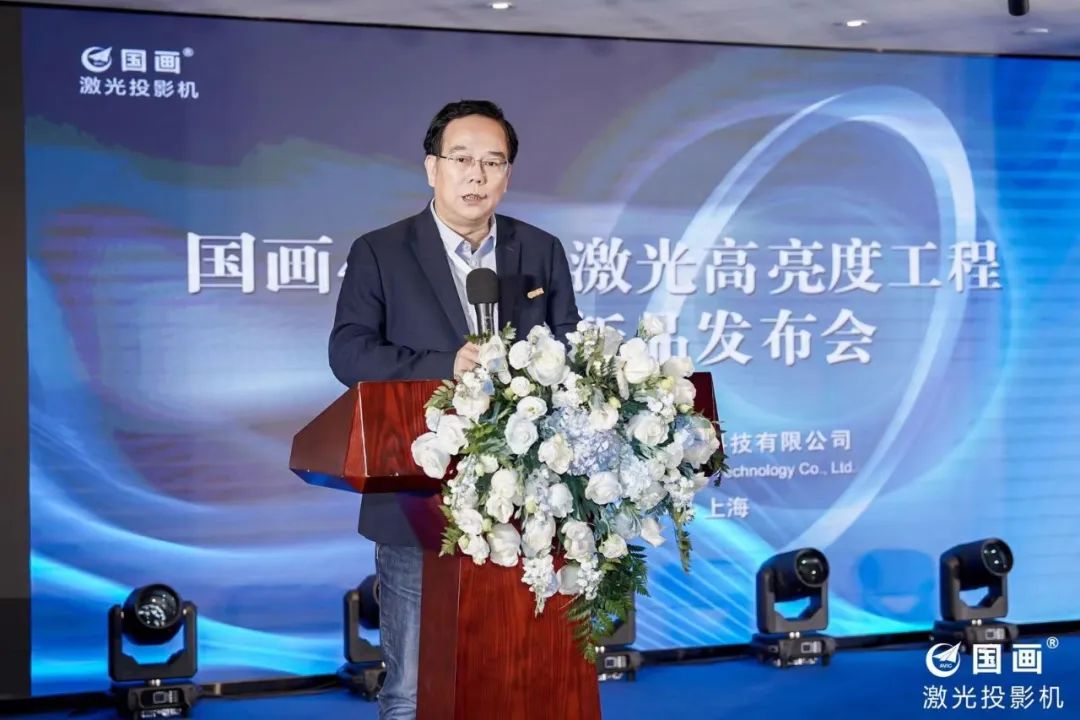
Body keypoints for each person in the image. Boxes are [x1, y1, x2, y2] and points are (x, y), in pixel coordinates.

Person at [328, 99, 580, 720]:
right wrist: (446, 364)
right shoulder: (382, 251)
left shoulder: (539, 250)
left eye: (492, 162)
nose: (476, 175)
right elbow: (349, 352)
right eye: (462, 159)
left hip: (528, 500)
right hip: (418, 493)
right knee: (414, 688)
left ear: (508, 175)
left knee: (521, 678)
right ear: (431, 167)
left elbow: (569, 348)